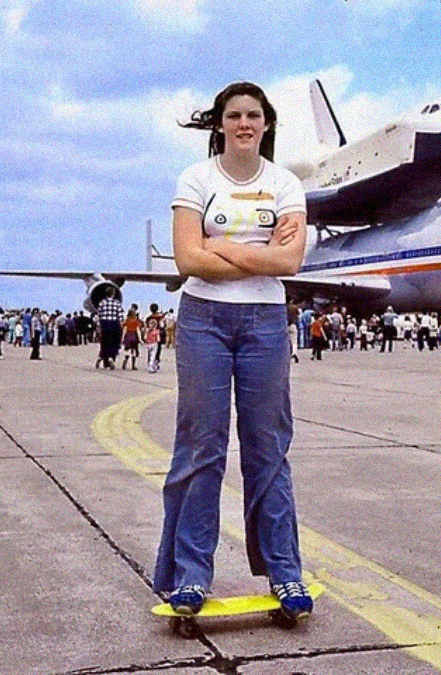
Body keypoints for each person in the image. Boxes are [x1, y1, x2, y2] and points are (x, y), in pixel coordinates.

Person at [152, 82, 313, 620]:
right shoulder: (195, 180)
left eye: (254, 115)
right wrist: (251, 253)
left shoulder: (286, 183)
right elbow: (187, 261)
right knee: (202, 447)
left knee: (268, 447)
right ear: (219, 123)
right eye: (234, 115)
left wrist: (217, 244)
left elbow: (289, 264)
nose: (244, 123)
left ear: (267, 124)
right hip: (204, 321)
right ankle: (189, 576)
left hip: (266, 321)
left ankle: (285, 574)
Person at [96, 288, 124, 369]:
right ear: (113, 294)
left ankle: (103, 359)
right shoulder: (117, 303)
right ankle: (112, 357)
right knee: (114, 343)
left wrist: (99, 327)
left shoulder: (102, 303)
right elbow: (121, 317)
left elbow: (98, 316)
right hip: (114, 325)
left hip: (105, 325)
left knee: (105, 343)